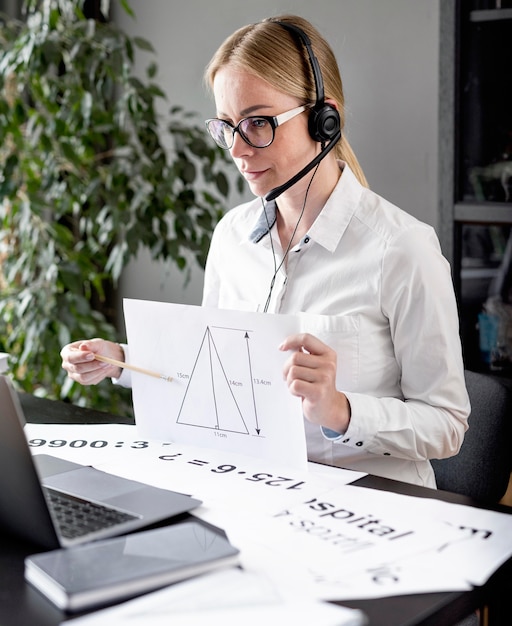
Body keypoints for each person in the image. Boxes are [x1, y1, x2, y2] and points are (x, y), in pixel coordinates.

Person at [61, 14, 470, 487]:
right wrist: (121, 361)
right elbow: (214, 374)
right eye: (227, 126)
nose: (237, 150)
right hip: (258, 498)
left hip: (370, 513)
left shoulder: (402, 249)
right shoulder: (232, 237)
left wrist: (341, 410)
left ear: (325, 119)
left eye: (258, 123)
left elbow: (447, 427)